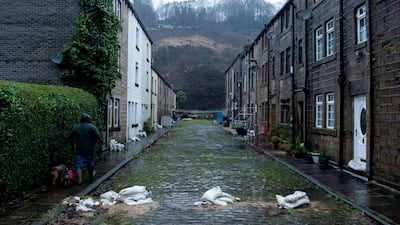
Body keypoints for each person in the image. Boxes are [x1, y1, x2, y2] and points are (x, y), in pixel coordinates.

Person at [69, 113, 100, 184]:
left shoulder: (76, 127)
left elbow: (70, 138)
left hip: (79, 149)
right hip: (90, 148)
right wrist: (93, 142)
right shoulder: (92, 127)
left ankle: (80, 180)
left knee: (79, 164)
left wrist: (72, 145)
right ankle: (91, 177)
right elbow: (97, 136)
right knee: (90, 162)